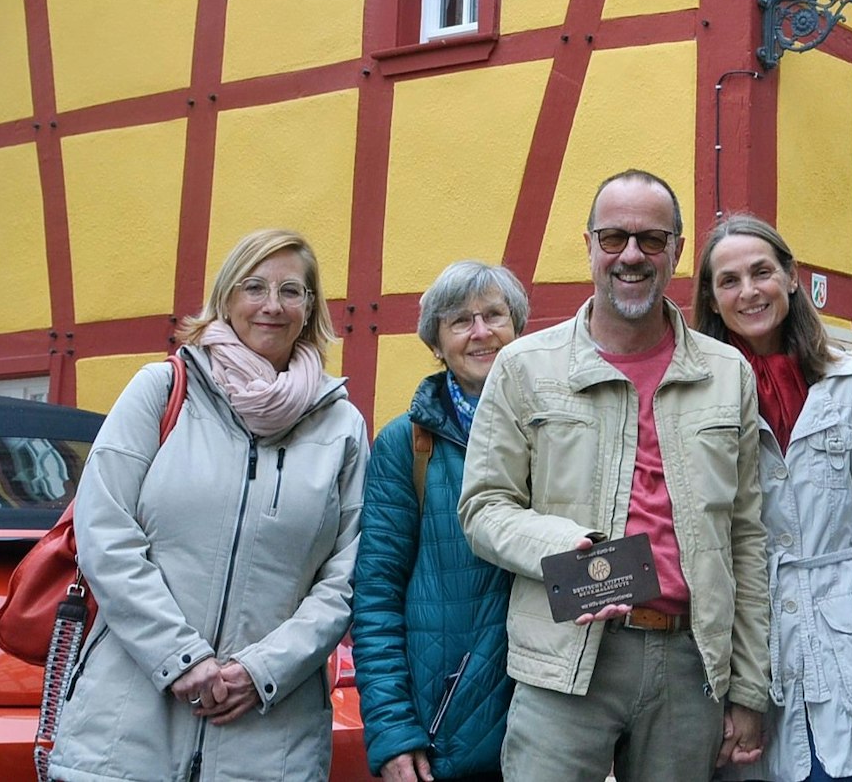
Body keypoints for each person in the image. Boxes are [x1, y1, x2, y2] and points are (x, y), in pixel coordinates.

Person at [458, 170, 771, 781]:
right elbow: (483, 508)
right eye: (614, 238)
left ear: (677, 251)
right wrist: (567, 548)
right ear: (589, 246)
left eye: (652, 240)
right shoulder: (525, 367)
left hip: (690, 664)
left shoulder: (727, 373)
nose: (631, 254)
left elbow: (746, 538)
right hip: (564, 662)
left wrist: (749, 686)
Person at [51, 229, 370, 782]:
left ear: (310, 308)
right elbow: (104, 529)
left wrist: (260, 670)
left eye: (291, 291)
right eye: (255, 286)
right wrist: (181, 660)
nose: (272, 305)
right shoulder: (162, 389)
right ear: (225, 298)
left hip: (272, 739)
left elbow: (349, 573)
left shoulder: (341, 426)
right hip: (126, 732)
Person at [693, 215, 852, 782]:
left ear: (792, 277)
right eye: (729, 281)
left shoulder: (849, 382)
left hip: (842, 655)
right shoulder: (695, 394)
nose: (749, 291)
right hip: (742, 661)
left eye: (761, 272)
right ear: (711, 298)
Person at [352, 261, 532, 782]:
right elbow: (375, 595)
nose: (481, 332)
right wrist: (392, 730)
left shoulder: (561, 431)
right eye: (460, 321)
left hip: (554, 720)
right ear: (436, 343)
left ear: (517, 327)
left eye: (494, 315)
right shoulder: (406, 445)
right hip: (444, 728)